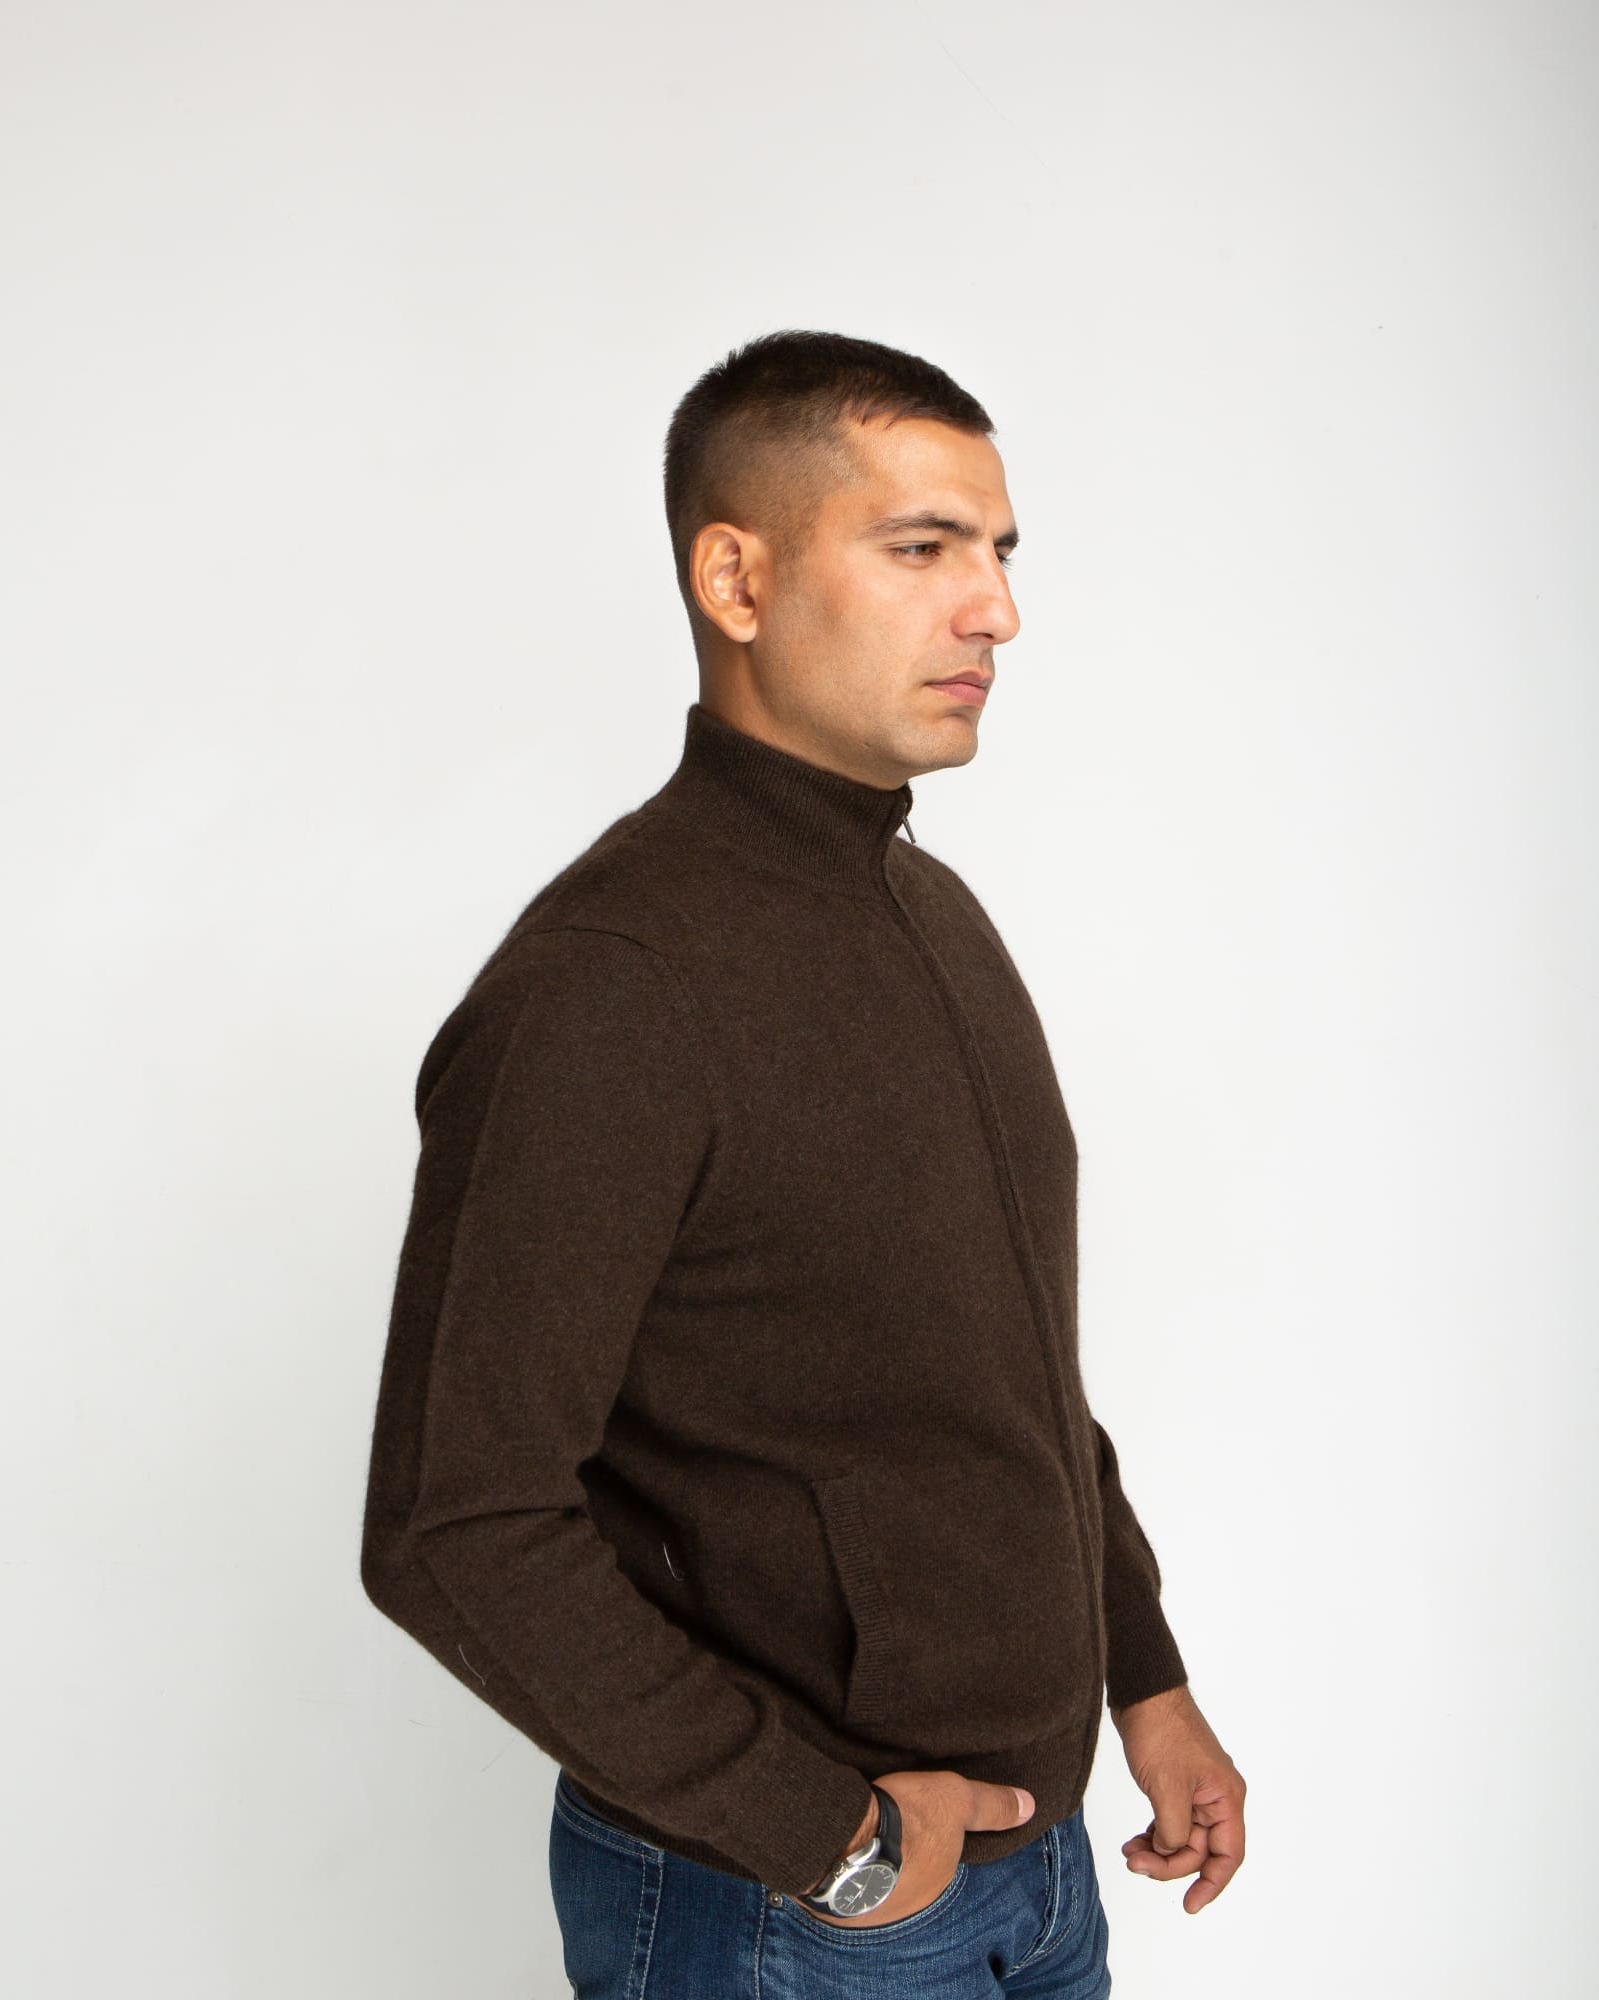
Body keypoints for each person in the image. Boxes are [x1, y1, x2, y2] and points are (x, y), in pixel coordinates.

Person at [360, 329, 1247, 1996]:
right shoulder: (612, 984)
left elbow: (1006, 1373)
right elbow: (455, 1523)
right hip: (790, 1913)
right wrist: (827, 1837)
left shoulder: (932, 912)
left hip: (1040, 1877)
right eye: (922, 548)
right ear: (737, 581)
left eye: (999, 552)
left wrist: (1145, 1678)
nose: (995, 609)